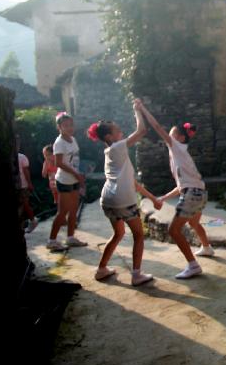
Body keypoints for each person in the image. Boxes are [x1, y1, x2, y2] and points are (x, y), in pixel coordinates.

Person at [136, 99, 214, 279]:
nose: (168, 135)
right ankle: (207, 248)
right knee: (194, 223)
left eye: (171, 133)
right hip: (200, 193)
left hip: (193, 194)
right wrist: (163, 198)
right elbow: (181, 186)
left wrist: (142, 109)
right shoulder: (179, 153)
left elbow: (156, 126)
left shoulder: (177, 147)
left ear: (179, 137)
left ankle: (193, 265)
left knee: (173, 230)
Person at [87, 102, 162, 286]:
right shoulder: (117, 147)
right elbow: (142, 131)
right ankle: (136, 274)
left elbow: (133, 183)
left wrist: (152, 198)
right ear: (109, 136)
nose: (120, 132)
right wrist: (138, 110)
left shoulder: (110, 153)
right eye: (117, 130)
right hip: (122, 200)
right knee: (138, 235)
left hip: (108, 200)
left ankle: (101, 269)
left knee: (118, 234)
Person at [46, 112, 88, 251]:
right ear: (59, 127)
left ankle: (70, 238)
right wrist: (76, 173)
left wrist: (79, 174)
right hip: (64, 181)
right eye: (65, 126)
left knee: (74, 209)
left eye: (71, 125)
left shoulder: (72, 139)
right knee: (62, 212)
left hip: (74, 179)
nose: (69, 128)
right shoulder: (59, 143)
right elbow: (59, 163)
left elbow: (75, 159)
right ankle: (52, 241)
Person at [17, 136, 37, 233]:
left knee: (25, 204)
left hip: (23, 185)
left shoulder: (21, 157)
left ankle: (33, 221)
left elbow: (26, 171)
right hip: (16, 186)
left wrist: (29, 184)